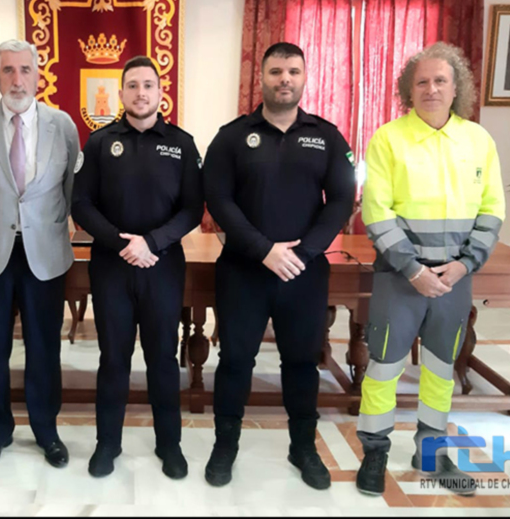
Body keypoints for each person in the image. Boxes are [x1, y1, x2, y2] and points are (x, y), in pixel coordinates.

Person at [202, 42, 356, 489]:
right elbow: (218, 199)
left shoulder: (326, 136)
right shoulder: (232, 135)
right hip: (244, 271)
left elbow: (342, 200)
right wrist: (264, 249)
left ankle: (302, 447)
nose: (284, 79)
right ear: (263, 78)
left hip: (304, 274)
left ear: (305, 77)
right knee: (234, 361)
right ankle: (224, 444)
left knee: (302, 363)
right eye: (275, 71)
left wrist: (303, 252)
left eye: (292, 71)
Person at [355, 42, 505, 497]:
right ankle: (375, 451)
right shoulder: (387, 138)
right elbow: (376, 211)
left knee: (441, 370)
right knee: (384, 368)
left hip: (455, 280)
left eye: (441, 80)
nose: (431, 88)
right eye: (422, 81)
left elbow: (492, 209)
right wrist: (413, 268)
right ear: (409, 88)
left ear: (456, 87)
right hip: (399, 279)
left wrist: (464, 265)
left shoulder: (478, 141)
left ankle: (432, 454)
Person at [72, 55, 204, 479]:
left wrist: (152, 242)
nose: (141, 92)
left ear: (160, 91)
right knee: (113, 358)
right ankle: (107, 443)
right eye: (132, 85)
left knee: (163, 359)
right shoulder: (98, 142)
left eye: (148, 84)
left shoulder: (181, 143)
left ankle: (170, 445)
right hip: (112, 267)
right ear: (122, 92)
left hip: (163, 266)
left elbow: (192, 209)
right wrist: (121, 242)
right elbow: (81, 205)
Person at [0, 39, 80, 469]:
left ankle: (47, 431)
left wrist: (40, 223)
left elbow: (68, 192)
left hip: (44, 252)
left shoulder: (62, 125)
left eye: (25, 70)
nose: (17, 79)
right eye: (8, 70)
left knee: (44, 347)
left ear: (38, 75)